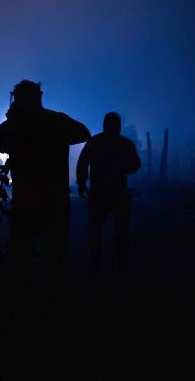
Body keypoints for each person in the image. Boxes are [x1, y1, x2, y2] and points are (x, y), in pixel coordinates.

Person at [0, 80, 90, 320]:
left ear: (19, 99)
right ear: (39, 97)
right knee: (53, 259)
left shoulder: (16, 126)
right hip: (55, 202)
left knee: (21, 260)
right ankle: (51, 312)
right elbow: (84, 133)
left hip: (26, 204)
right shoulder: (56, 121)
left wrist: (13, 125)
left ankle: (22, 312)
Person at [76, 112, 141, 276]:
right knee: (121, 231)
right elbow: (135, 165)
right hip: (119, 194)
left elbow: (82, 162)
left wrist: (82, 183)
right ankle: (122, 266)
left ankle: (95, 265)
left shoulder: (95, 142)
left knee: (95, 230)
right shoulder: (125, 144)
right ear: (118, 126)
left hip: (98, 194)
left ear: (105, 124)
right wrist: (121, 169)